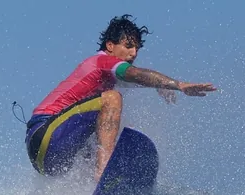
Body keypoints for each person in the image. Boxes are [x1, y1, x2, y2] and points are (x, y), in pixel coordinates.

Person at [25, 14, 216, 181]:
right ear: (110, 45)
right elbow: (135, 74)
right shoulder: (102, 61)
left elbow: (137, 80)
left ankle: (95, 193)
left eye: (137, 49)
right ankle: (102, 172)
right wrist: (178, 85)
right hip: (46, 132)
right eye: (128, 46)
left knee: (108, 130)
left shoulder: (104, 75)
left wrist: (160, 86)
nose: (133, 53)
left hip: (46, 160)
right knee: (112, 99)